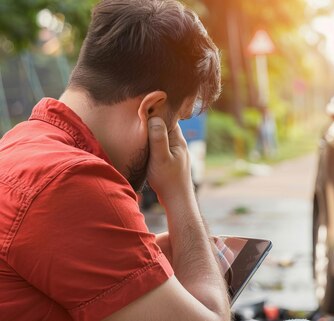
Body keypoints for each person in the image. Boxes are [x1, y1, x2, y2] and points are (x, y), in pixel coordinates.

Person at [0, 0, 230, 320]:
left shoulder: (20, 144)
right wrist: (180, 192)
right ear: (151, 110)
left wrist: (145, 261)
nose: (178, 140)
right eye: (177, 120)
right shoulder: (73, 182)